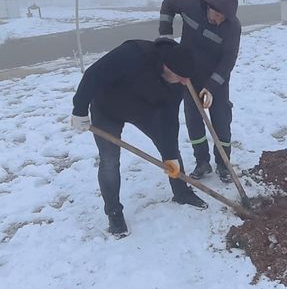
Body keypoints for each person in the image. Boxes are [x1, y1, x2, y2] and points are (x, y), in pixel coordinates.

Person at [70, 38, 208, 237]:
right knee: (109, 161)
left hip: (145, 111)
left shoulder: (178, 83)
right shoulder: (133, 54)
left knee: (169, 148)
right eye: (180, 76)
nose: (185, 82)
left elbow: (169, 122)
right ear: (167, 67)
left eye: (187, 78)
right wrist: (79, 110)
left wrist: (169, 156)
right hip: (107, 109)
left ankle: (181, 191)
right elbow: (93, 75)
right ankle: (114, 213)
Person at [158, 0, 241, 183]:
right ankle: (202, 161)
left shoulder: (232, 28)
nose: (219, 20)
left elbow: (228, 61)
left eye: (224, 18)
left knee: (221, 120)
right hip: (189, 76)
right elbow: (168, 2)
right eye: (218, 15)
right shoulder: (190, 4)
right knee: (193, 120)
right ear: (209, 7)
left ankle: (223, 163)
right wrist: (166, 36)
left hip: (215, 80)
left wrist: (211, 87)